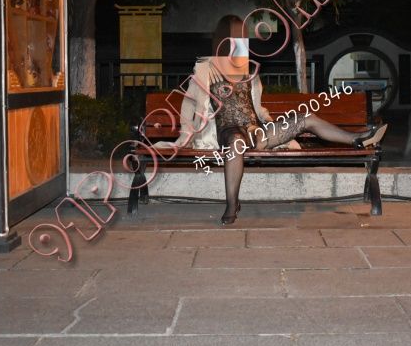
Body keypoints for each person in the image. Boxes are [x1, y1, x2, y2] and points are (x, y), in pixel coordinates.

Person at [155, 16, 387, 224]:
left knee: (305, 118)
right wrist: (185, 134)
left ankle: (357, 139)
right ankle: (232, 205)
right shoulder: (206, 70)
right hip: (227, 132)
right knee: (235, 141)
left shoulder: (249, 72)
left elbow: (257, 108)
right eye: (235, 39)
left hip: (254, 131)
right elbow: (188, 104)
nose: (241, 44)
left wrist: (271, 122)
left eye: (243, 39)